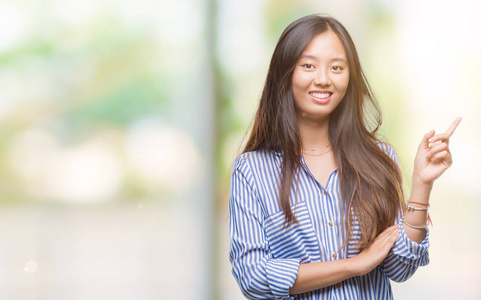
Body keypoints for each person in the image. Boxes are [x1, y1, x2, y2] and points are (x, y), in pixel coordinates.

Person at [228, 14, 461, 299]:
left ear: (350, 77)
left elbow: (400, 267)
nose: (323, 79)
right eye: (308, 65)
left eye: (337, 67)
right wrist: (353, 265)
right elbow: (253, 278)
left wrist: (422, 185)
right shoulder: (252, 170)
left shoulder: (379, 159)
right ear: (285, 72)